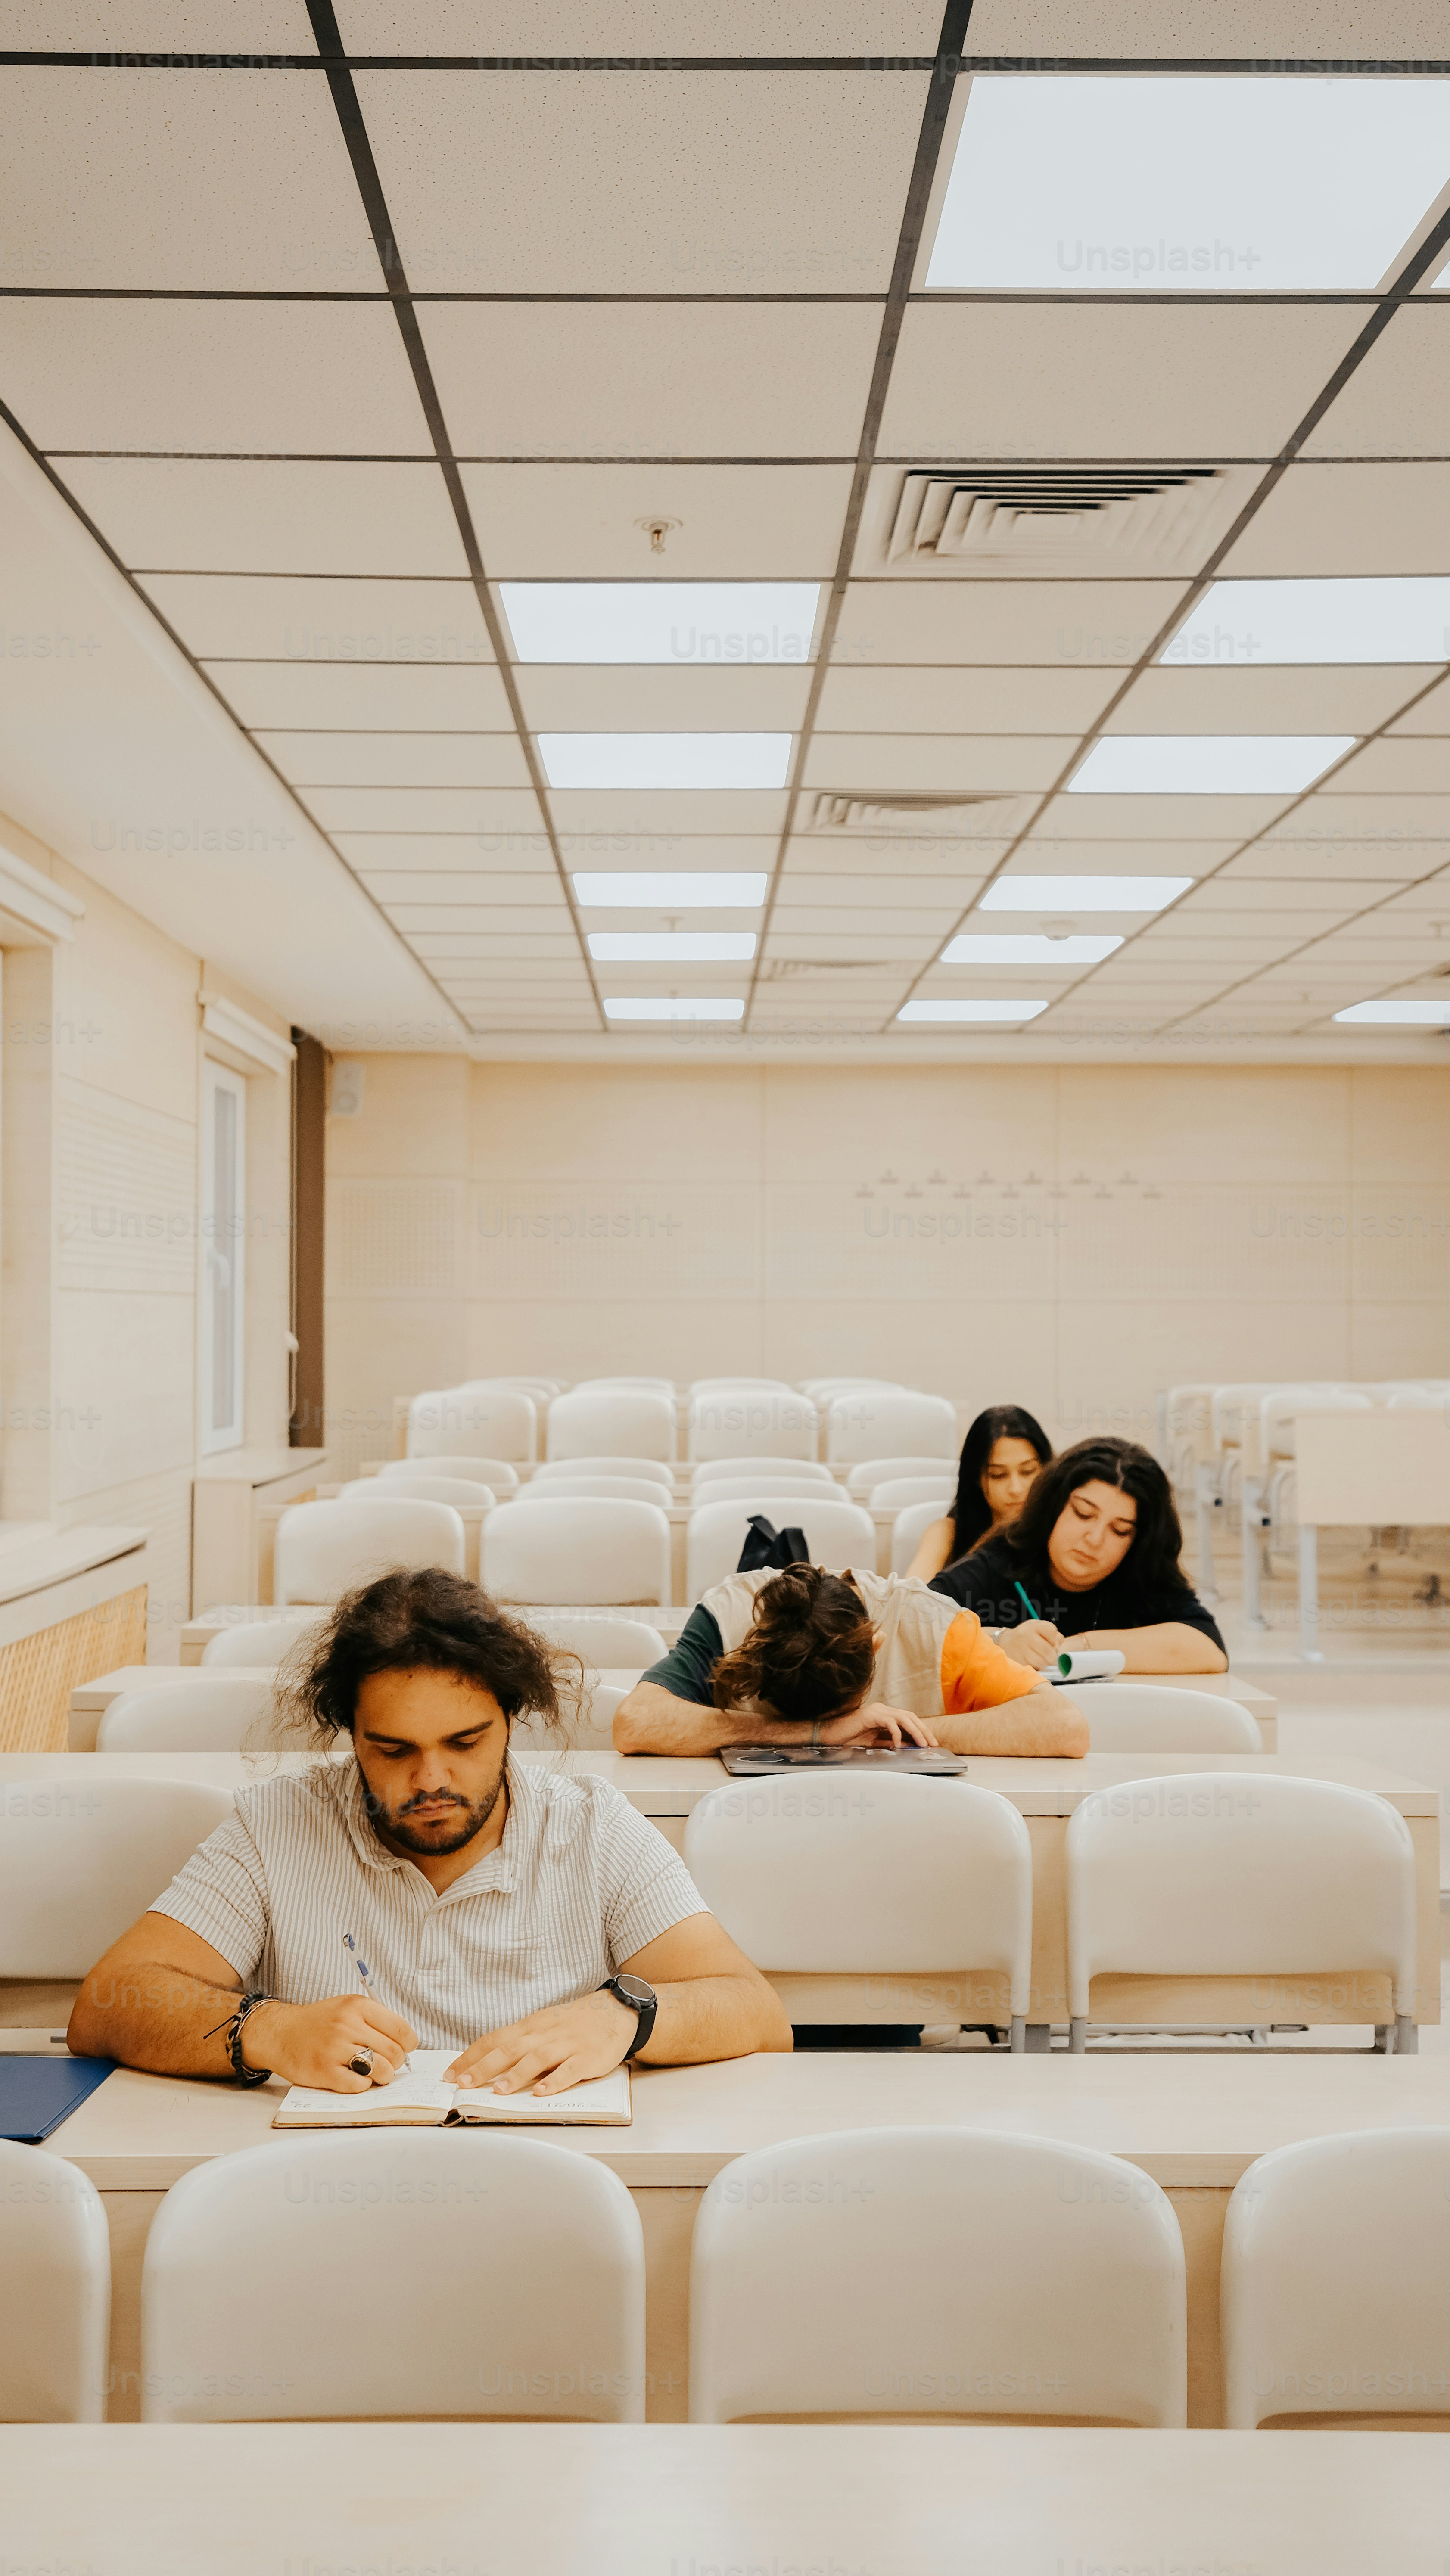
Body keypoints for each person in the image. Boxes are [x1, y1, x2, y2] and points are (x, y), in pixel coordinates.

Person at [68, 1568, 790, 2097]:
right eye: (393, 1750)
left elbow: (754, 2011)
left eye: (465, 1742)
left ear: (512, 1719)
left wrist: (627, 2017)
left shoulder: (594, 1826)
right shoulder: (276, 1823)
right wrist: (270, 2030)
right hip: (325, 2189)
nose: (430, 1781)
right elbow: (109, 2004)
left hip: (552, 2185)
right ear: (350, 1734)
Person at [613, 1560, 1088, 1759]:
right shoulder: (729, 1615)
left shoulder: (936, 1627)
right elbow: (635, 1722)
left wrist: (893, 1731)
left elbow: (1066, 1726)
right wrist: (817, 1734)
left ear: (876, 1646)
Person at [930, 1435, 1226, 1673]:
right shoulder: (1004, 1561)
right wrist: (999, 1640)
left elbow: (1209, 1648)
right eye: (1083, 1514)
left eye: (1120, 1530)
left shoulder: (1140, 1574)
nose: (1095, 1539)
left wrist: (1082, 1647)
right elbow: (910, 1625)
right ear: (1055, 1505)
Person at [904, 1403, 1054, 1583]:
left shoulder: (1061, 1528)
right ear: (977, 1478)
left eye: (1028, 1471)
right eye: (999, 1475)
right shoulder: (947, 1533)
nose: (1016, 1489)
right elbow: (910, 1597)